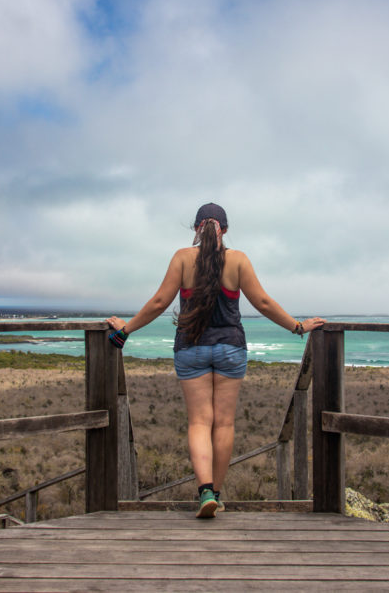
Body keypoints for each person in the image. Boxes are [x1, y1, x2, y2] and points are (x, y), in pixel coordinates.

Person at [106, 203, 325, 518]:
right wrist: (298, 326)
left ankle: (204, 490)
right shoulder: (238, 260)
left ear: (197, 228)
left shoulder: (182, 258)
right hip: (230, 349)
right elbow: (262, 302)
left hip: (190, 349)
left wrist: (124, 331)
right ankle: (217, 495)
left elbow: (158, 303)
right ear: (224, 228)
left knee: (198, 423)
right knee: (224, 423)